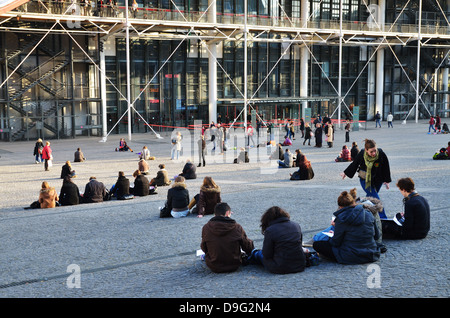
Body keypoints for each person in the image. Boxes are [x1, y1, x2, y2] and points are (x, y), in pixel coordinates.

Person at [312, 190, 380, 264]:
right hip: (371, 253)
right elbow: (376, 236)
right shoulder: (368, 213)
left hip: (351, 255)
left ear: (340, 207)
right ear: (353, 203)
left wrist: (333, 235)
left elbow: (335, 242)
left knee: (317, 244)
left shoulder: (342, 218)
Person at [341, 139, 391, 219]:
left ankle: (366, 214)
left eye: (375, 150)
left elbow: (386, 166)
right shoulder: (361, 154)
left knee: (371, 198)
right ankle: (383, 218)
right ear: (366, 150)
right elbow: (355, 163)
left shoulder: (381, 153)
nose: (374, 153)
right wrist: (346, 173)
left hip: (378, 179)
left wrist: (387, 180)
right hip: (365, 180)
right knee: (375, 198)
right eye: (371, 152)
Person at [247, 206, 306, 274]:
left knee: (259, 254)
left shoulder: (270, 230)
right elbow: (299, 245)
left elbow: (267, 254)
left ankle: (251, 255)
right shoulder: (296, 225)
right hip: (300, 265)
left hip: (280, 267)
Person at [200, 202, 254, 273]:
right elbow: (247, 246)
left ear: (215, 214)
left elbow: (204, 247)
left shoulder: (206, 227)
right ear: (227, 213)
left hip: (214, 265)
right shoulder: (236, 227)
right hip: (234, 264)